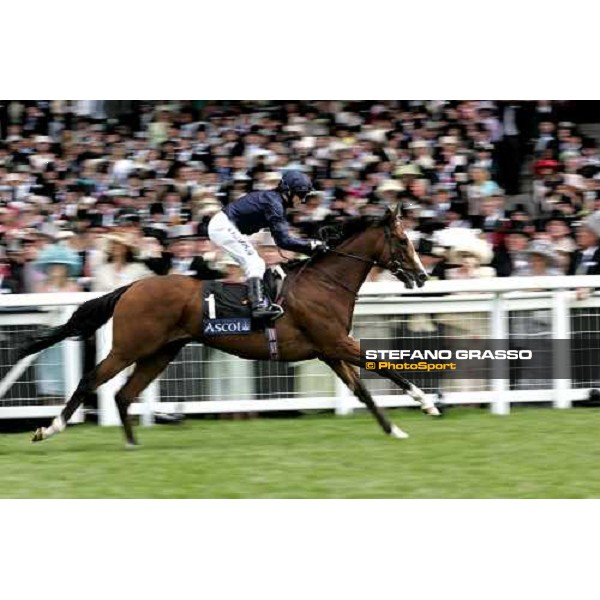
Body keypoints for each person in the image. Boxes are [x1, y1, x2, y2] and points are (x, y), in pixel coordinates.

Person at [207, 170, 328, 320]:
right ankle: (258, 306)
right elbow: (284, 241)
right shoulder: (274, 204)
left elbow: (282, 241)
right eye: (301, 195)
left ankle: (258, 300)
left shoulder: (275, 201)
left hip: (229, 227)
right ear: (288, 191)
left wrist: (309, 247)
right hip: (224, 227)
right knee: (255, 263)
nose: (303, 200)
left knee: (255, 263)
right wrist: (312, 245)